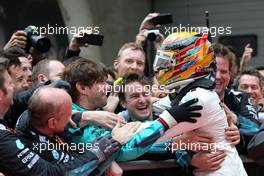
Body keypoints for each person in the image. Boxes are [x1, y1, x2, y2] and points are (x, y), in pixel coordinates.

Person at [152, 32, 247, 175]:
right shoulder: (181, 96)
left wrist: (239, 127)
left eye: (223, 71)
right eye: (214, 70)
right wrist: (188, 156)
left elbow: (147, 141)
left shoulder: (202, 97)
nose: (218, 76)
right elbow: (151, 120)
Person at [0, 57, 110, 176]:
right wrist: (99, 152)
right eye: (11, 83)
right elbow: (48, 173)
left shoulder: (27, 119)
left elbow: (25, 107)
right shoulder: (4, 137)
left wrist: (82, 116)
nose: (14, 87)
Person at [16, 86, 138, 175]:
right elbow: (75, 171)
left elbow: (76, 149)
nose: (75, 114)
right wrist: (113, 142)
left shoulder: (38, 116)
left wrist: (86, 116)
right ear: (52, 122)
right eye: (69, 113)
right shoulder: (37, 148)